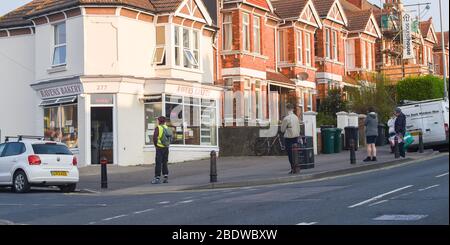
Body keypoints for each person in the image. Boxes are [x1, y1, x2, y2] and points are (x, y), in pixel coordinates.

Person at [280, 103, 300, 174]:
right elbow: (298, 128)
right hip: (296, 137)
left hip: (289, 137)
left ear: (287, 109)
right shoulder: (296, 117)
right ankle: (296, 167)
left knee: (290, 154)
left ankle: (293, 168)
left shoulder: (286, 118)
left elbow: (282, 130)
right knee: (295, 153)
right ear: (293, 109)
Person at [151, 116, 172, 184]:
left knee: (158, 163)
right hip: (166, 147)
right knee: (165, 162)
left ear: (159, 121)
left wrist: (156, 145)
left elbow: (154, 137)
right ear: (165, 121)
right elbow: (171, 138)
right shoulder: (167, 128)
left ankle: (157, 178)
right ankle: (165, 177)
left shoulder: (158, 128)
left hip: (159, 148)